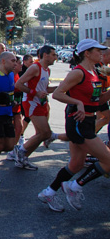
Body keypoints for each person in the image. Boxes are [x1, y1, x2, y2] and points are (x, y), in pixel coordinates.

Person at [38, 39, 110, 212]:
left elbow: (97, 101)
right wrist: (77, 102)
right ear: (87, 53)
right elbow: (57, 94)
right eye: (98, 50)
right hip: (79, 122)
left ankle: (48, 192)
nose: (101, 53)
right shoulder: (78, 73)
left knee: (76, 164)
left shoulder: (94, 71)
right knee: (108, 160)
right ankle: (75, 186)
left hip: (89, 120)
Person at [13, 45, 57, 170]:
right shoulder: (35, 68)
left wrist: (61, 87)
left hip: (41, 102)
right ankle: (20, 151)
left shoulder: (47, 70)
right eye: (53, 55)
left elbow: (45, 89)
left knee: (41, 134)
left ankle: (23, 158)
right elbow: (19, 84)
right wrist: (35, 93)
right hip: (32, 103)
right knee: (45, 133)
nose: (56, 57)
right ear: (45, 55)